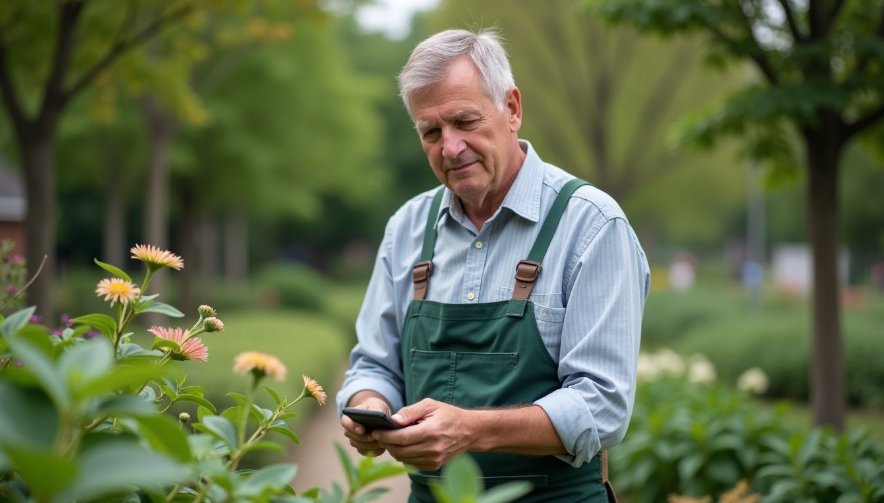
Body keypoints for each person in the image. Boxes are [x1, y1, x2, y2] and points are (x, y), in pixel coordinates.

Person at [338, 29, 650, 503]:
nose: (451, 148)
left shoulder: (591, 224)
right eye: (431, 132)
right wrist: (369, 407)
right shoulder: (406, 229)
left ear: (512, 109)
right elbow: (374, 364)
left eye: (465, 121)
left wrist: (471, 430)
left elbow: (601, 405)